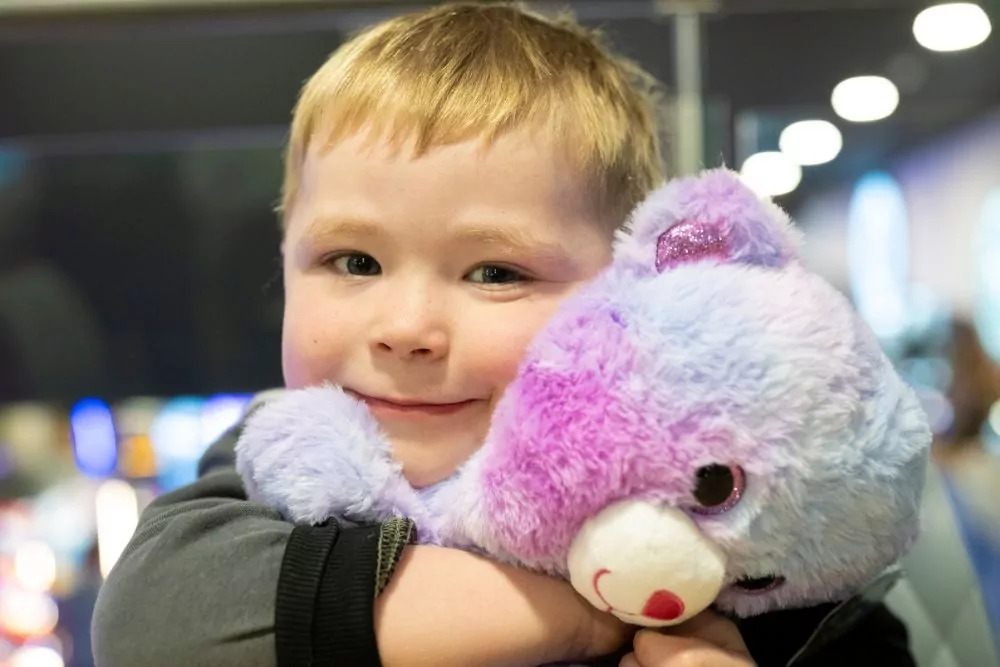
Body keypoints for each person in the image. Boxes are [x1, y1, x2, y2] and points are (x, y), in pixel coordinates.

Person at [91, 4, 916, 666]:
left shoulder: (730, 526)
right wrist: (593, 615)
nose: (406, 328)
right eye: (352, 260)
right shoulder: (285, 466)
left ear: (629, 293)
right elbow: (150, 619)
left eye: (494, 272)